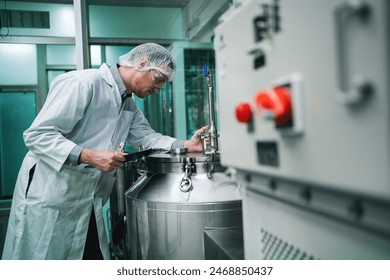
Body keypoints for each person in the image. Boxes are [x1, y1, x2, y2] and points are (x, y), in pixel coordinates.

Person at [2, 43, 208, 260]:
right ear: (142, 63)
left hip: (86, 200)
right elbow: (37, 135)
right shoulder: (82, 83)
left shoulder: (127, 102)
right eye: (158, 80)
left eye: (163, 85)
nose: (158, 90)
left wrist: (187, 145)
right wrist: (89, 156)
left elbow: (147, 138)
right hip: (52, 193)